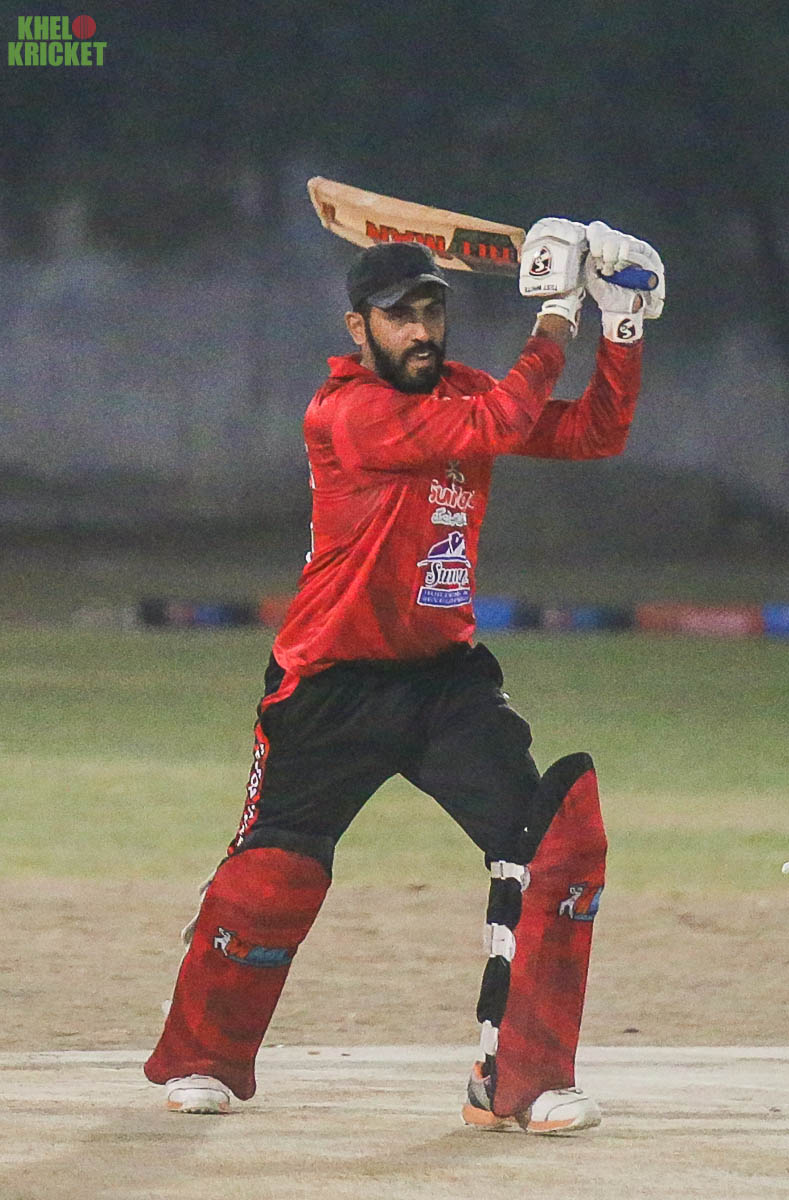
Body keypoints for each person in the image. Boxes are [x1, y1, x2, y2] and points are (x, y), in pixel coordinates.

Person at [144, 218, 664, 1133]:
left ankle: (522, 1080)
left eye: (431, 311)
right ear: (359, 328)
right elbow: (500, 421)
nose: (420, 331)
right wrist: (555, 317)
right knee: (271, 877)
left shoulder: (463, 392)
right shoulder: (344, 412)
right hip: (329, 683)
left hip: (444, 683)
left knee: (552, 849)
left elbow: (594, 432)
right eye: (398, 317)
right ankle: (203, 1059)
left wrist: (622, 325)